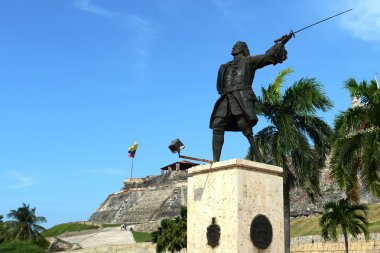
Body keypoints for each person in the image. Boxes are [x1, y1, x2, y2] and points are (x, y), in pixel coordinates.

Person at [210, 40, 288, 162]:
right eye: (233, 45)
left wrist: (280, 44)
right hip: (225, 97)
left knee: (243, 124)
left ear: (243, 49)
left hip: (241, 96)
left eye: (236, 46)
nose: (233, 47)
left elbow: (267, 57)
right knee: (217, 124)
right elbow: (219, 87)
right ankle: (215, 161)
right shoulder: (224, 67)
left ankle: (259, 158)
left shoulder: (249, 61)